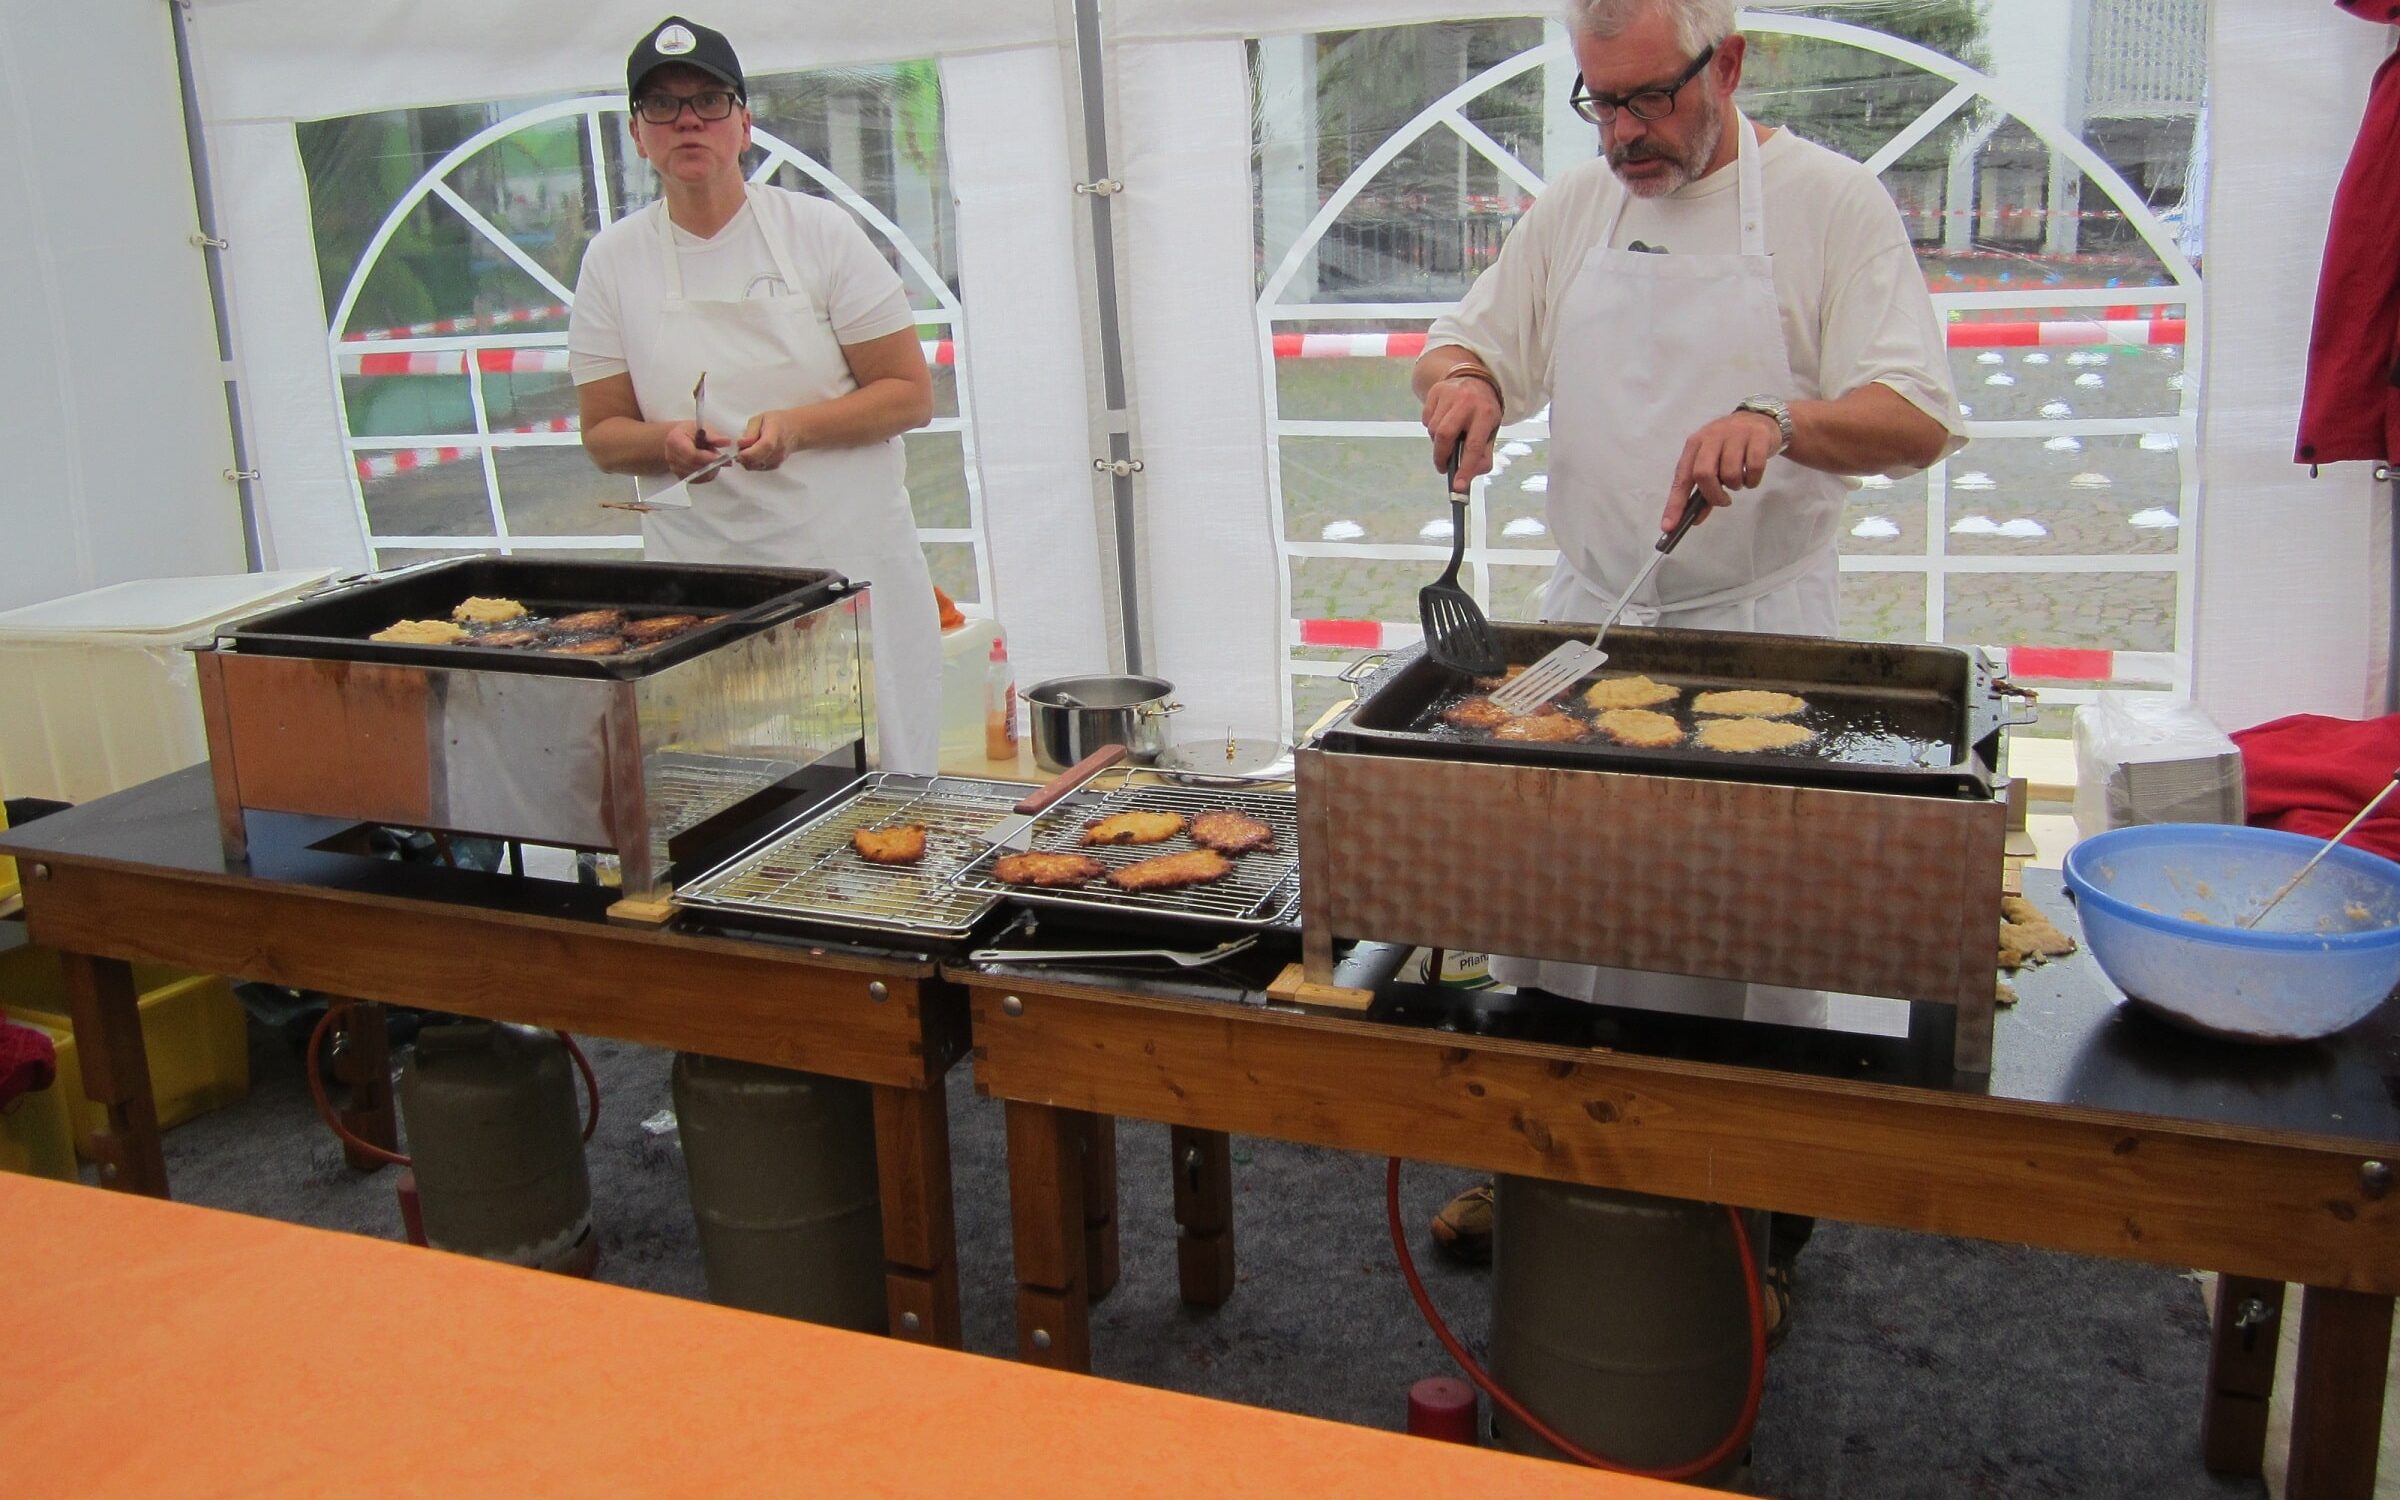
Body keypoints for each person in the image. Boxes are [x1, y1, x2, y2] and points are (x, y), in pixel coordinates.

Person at [1412, 0, 1968, 1314]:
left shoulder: (1829, 204)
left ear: (1727, 64)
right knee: (1556, 919)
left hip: (1761, 633)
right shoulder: (1576, 208)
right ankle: (1536, 1168)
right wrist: (1464, 386)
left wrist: (1780, 418)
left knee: (1740, 939)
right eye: (1596, 105)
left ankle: (1750, 1222)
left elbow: (1919, 416)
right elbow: (1470, 336)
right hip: (1587, 619)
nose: (1620, 136)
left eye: (1648, 101)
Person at [571, 16, 940, 773]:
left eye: (708, 101)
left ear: (744, 123)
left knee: (878, 766)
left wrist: (797, 429)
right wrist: (664, 442)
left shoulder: (821, 234)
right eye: (663, 108)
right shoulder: (613, 262)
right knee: (729, 782)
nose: (688, 122)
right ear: (638, 135)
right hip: (703, 578)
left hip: (844, 559)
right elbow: (604, 433)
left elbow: (908, 394)